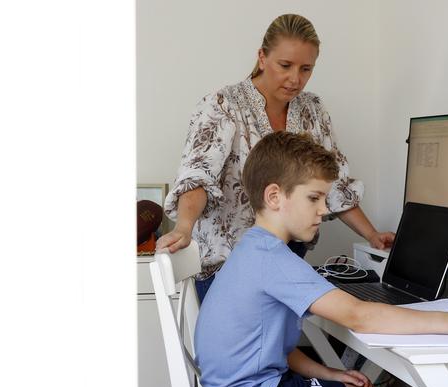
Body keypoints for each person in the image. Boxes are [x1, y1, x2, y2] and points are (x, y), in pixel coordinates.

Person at [195, 132, 448, 387]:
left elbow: (270, 349)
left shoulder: (252, 249)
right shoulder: (275, 260)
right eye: (314, 198)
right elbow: (358, 316)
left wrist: (328, 373)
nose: (324, 210)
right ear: (274, 197)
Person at [157, 13, 394, 301]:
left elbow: (335, 187)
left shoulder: (313, 110)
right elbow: (197, 175)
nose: (295, 79)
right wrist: (183, 227)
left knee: (329, 326)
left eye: (306, 69)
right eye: (285, 65)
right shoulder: (224, 104)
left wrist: (372, 236)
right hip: (229, 264)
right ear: (262, 57)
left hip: (288, 260)